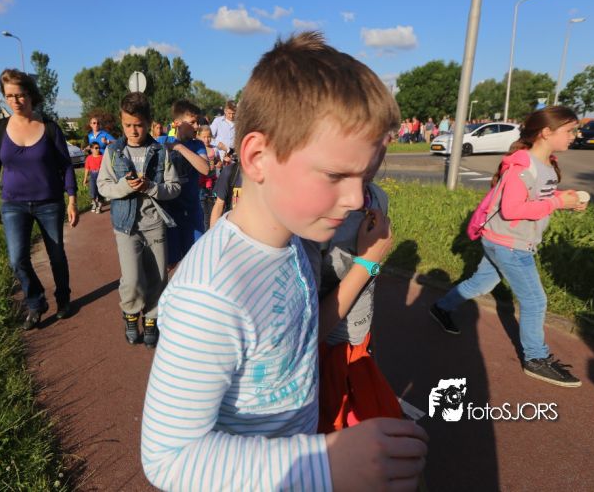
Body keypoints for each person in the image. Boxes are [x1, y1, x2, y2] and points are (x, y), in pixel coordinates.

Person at [141, 32, 428, 491]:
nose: (357, 199)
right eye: (335, 174)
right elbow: (169, 458)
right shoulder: (211, 294)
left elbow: (298, 339)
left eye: (366, 177)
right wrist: (326, 464)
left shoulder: (292, 242)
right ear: (257, 157)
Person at [430, 106, 586, 387]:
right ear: (546, 132)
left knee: (481, 283)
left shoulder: (545, 162)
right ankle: (536, 358)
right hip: (511, 244)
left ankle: (441, 308)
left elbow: (539, 195)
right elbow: (512, 209)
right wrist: (557, 203)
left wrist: (565, 199)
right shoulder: (523, 166)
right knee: (535, 301)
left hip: (501, 239)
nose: (574, 135)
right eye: (569, 130)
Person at [302, 139, 404, 431]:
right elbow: (308, 332)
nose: (377, 151)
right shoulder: (317, 212)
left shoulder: (378, 197)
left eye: (384, 138)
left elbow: (367, 281)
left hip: (359, 340)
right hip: (323, 353)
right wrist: (368, 262)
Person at [0, 68, 79, 330]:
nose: (15, 101)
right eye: (9, 96)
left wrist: (72, 199)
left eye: (20, 95)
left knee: (56, 255)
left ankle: (63, 299)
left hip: (49, 203)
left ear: (30, 95)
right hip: (13, 204)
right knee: (17, 259)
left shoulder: (49, 128)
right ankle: (36, 303)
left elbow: (66, 166)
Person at [96, 92, 181, 349]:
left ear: (149, 122)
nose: (133, 131)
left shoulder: (161, 151)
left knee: (158, 277)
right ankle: (131, 314)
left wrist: (151, 187)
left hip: (154, 223)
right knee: (132, 278)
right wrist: (125, 186)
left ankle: (152, 318)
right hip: (126, 225)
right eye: (128, 125)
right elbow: (103, 187)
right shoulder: (113, 151)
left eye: (139, 125)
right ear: (121, 122)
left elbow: (174, 187)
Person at [162, 100, 210, 267]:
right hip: (170, 214)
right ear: (177, 123)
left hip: (192, 212)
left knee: (195, 261)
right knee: (170, 263)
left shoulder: (197, 144)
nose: (197, 126)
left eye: (198, 122)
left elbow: (205, 169)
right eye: (192, 122)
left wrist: (180, 148)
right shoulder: (162, 142)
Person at [196, 125, 222, 230]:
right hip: (201, 185)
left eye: (209, 137)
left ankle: (212, 230)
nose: (207, 139)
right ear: (198, 136)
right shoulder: (197, 149)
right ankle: (205, 232)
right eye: (204, 137)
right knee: (203, 212)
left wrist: (218, 164)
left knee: (212, 210)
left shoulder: (214, 149)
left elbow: (218, 161)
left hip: (213, 184)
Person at [83, 142, 104, 213]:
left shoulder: (102, 157)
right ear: (91, 149)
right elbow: (87, 169)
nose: (98, 149)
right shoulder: (89, 158)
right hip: (92, 176)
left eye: (99, 148)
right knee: (92, 191)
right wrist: (85, 179)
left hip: (100, 176)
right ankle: (94, 203)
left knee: (100, 192)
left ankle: (99, 206)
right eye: (96, 148)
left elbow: (105, 168)